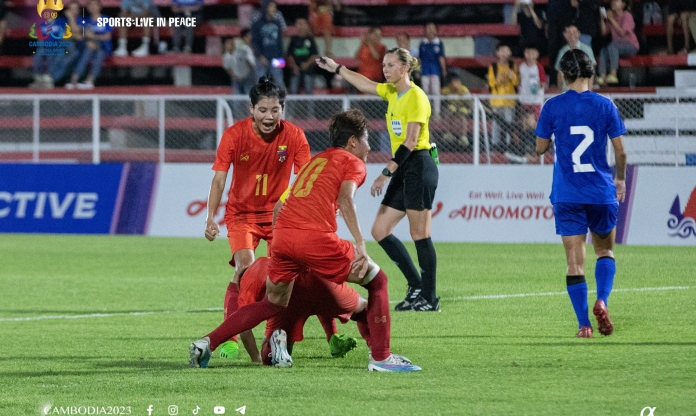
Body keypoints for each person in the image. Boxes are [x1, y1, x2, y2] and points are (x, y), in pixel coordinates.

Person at [190, 109, 421, 372]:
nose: (369, 148)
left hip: (283, 237)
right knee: (378, 281)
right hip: (313, 237)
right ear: (353, 142)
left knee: (272, 303)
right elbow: (346, 199)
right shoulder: (353, 162)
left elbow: (279, 207)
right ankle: (381, 357)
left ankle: (207, 342)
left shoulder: (316, 161)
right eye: (367, 140)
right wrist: (360, 243)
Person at [316, 49, 440, 313]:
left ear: (405, 68)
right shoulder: (392, 92)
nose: (385, 69)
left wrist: (386, 172)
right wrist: (337, 68)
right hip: (405, 166)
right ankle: (416, 285)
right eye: (384, 64)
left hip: (418, 164)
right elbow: (363, 83)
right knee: (380, 230)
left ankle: (429, 298)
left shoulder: (416, 96)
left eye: (391, 65)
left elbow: (410, 141)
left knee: (420, 233)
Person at [203, 77, 310, 359]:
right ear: (251, 108)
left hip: (280, 217)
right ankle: (231, 336)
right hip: (242, 215)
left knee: (281, 279)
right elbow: (219, 180)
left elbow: (306, 178)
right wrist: (210, 218)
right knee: (246, 269)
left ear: (283, 109)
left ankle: (272, 341)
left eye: (275, 110)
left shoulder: (295, 136)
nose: (269, 116)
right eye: (263, 110)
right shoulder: (234, 135)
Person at [535, 49, 627, 338]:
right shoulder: (605, 105)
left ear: (563, 75)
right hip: (600, 192)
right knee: (605, 251)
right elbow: (621, 152)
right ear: (591, 73)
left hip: (567, 193)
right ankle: (602, 300)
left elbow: (539, 148)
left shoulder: (552, 106)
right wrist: (620, 180)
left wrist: (555, 138)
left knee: (574, 262)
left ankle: (583, 324)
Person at [231, 256, 363, 366]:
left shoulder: (246, 284)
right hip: (314, 279)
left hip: (288, 296)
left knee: (270, 352)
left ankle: (278, 348)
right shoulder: (267, 260)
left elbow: (244, 328)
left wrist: (257, 358)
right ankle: (378, 352)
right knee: (364, 309)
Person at [65, 0, 112, 90]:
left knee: (98, 52)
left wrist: (93, 37)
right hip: (89, 48)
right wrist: (71, 17)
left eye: (95, 5)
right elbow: (77, 31)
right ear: (88, 8)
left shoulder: (105, 19)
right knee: (87, 50)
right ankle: (75, 81)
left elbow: (107, 36)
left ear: (100, 7)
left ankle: (88, 80)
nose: (93, 7)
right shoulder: (86, 20)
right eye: (91, 5)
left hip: (103, 47)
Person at [597, 0, 639, 85]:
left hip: (631, 45)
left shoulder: (627, 15)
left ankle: (613, 74)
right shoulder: (612, 17)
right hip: (615, 47)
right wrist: (602, 19)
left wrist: (611, 19)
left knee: (612, 46)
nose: (614, 2)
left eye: (617, 1)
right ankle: (603, 76)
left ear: (623, 4)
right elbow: (604, 32)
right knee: (603, 50)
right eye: (613, 1)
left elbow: (622, 33)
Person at [487, 44, 519, 148]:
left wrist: (512, 76)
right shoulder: (493, 67)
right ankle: (494, 144)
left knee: (509, 123)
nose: (505, 53)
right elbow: (491, 84)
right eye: (502, 50)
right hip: (497, 101)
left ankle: (509, 143)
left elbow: (517, 83)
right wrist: (498, 80)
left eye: (507, 51)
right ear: (498, 53)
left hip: (509, 101)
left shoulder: (513, 66)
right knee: (496, 124)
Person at [251, 0, 286, 89]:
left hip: (276, 58)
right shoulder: (257, 24)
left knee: (279, 81)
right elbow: (254, 41)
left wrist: (281, 57)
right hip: (261, 59)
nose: (274, 9)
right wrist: (260, 55)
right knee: (261, 83)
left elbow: (280, 42)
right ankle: (260, 103)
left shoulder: (277, 23)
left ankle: (282, 102)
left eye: (275, 7)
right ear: (266, 8)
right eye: (272, 7)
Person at [554, 25, 596, 91]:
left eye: (574, 32)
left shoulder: (587, 49)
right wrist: (559, 91)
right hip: (566, 90)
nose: (572, 35)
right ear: (565, 35)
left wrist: (589, 89)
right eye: (569, 33)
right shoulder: (562, 51)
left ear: (579, 34)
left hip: (582, 90)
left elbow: (591, 70)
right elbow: (559, 73)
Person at [418, 22, 447, 116]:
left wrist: (444, 70)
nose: (430, 30)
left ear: (436, 30)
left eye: (432, 28)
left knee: (436, 92)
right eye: (428, 28)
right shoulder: (422, 43)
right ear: (425, 30)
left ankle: (436, 112)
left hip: (435, 72)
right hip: (424, 72)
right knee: (425, 92)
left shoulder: (439, 43)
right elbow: (420, 59)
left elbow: (441, 58)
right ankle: (426, 112)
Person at [286, 18, 319, 95]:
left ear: (307, 26)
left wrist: (307, 64)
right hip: (295, 70)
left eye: (303, 24)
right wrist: (294, 66)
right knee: (293, 91)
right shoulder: (293, 39)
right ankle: (292, 107)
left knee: (309, 92)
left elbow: (314, 55)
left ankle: (310, 108)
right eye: (299, 24)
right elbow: (290, 55)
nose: (301, 26)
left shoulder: (310, 39)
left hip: (308, 70)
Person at [518, 46, 547, 118]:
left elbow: (543, 84)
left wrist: (535, 87)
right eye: (528, 53)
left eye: (533, 53)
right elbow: (519, 81)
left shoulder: (539, 67)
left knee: (534, 122)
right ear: (525, 53)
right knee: (524, 121)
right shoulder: (521, 66)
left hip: (536, 100)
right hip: (524, 99)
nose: (530, 55)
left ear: (537, 54)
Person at [227, 29, 256, 95]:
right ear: (244, 38)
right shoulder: (240, 49)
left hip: (250, 75)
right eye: (249, 36)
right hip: (241, 75)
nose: (251, 38)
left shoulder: (256, 49)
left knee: (249, 96)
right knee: (238, 96)